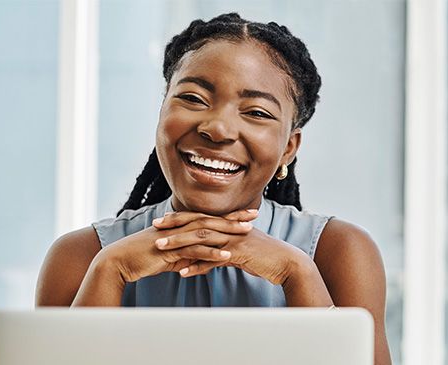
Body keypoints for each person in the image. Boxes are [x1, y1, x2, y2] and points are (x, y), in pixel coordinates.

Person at [36, 13, 392, 364]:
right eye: (192, 99)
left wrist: (296, 273)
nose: (218, 129)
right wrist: (109, 272)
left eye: (256, 112)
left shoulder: (338, 252)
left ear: (288, 147)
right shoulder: (81, 257)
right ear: (161, 113)